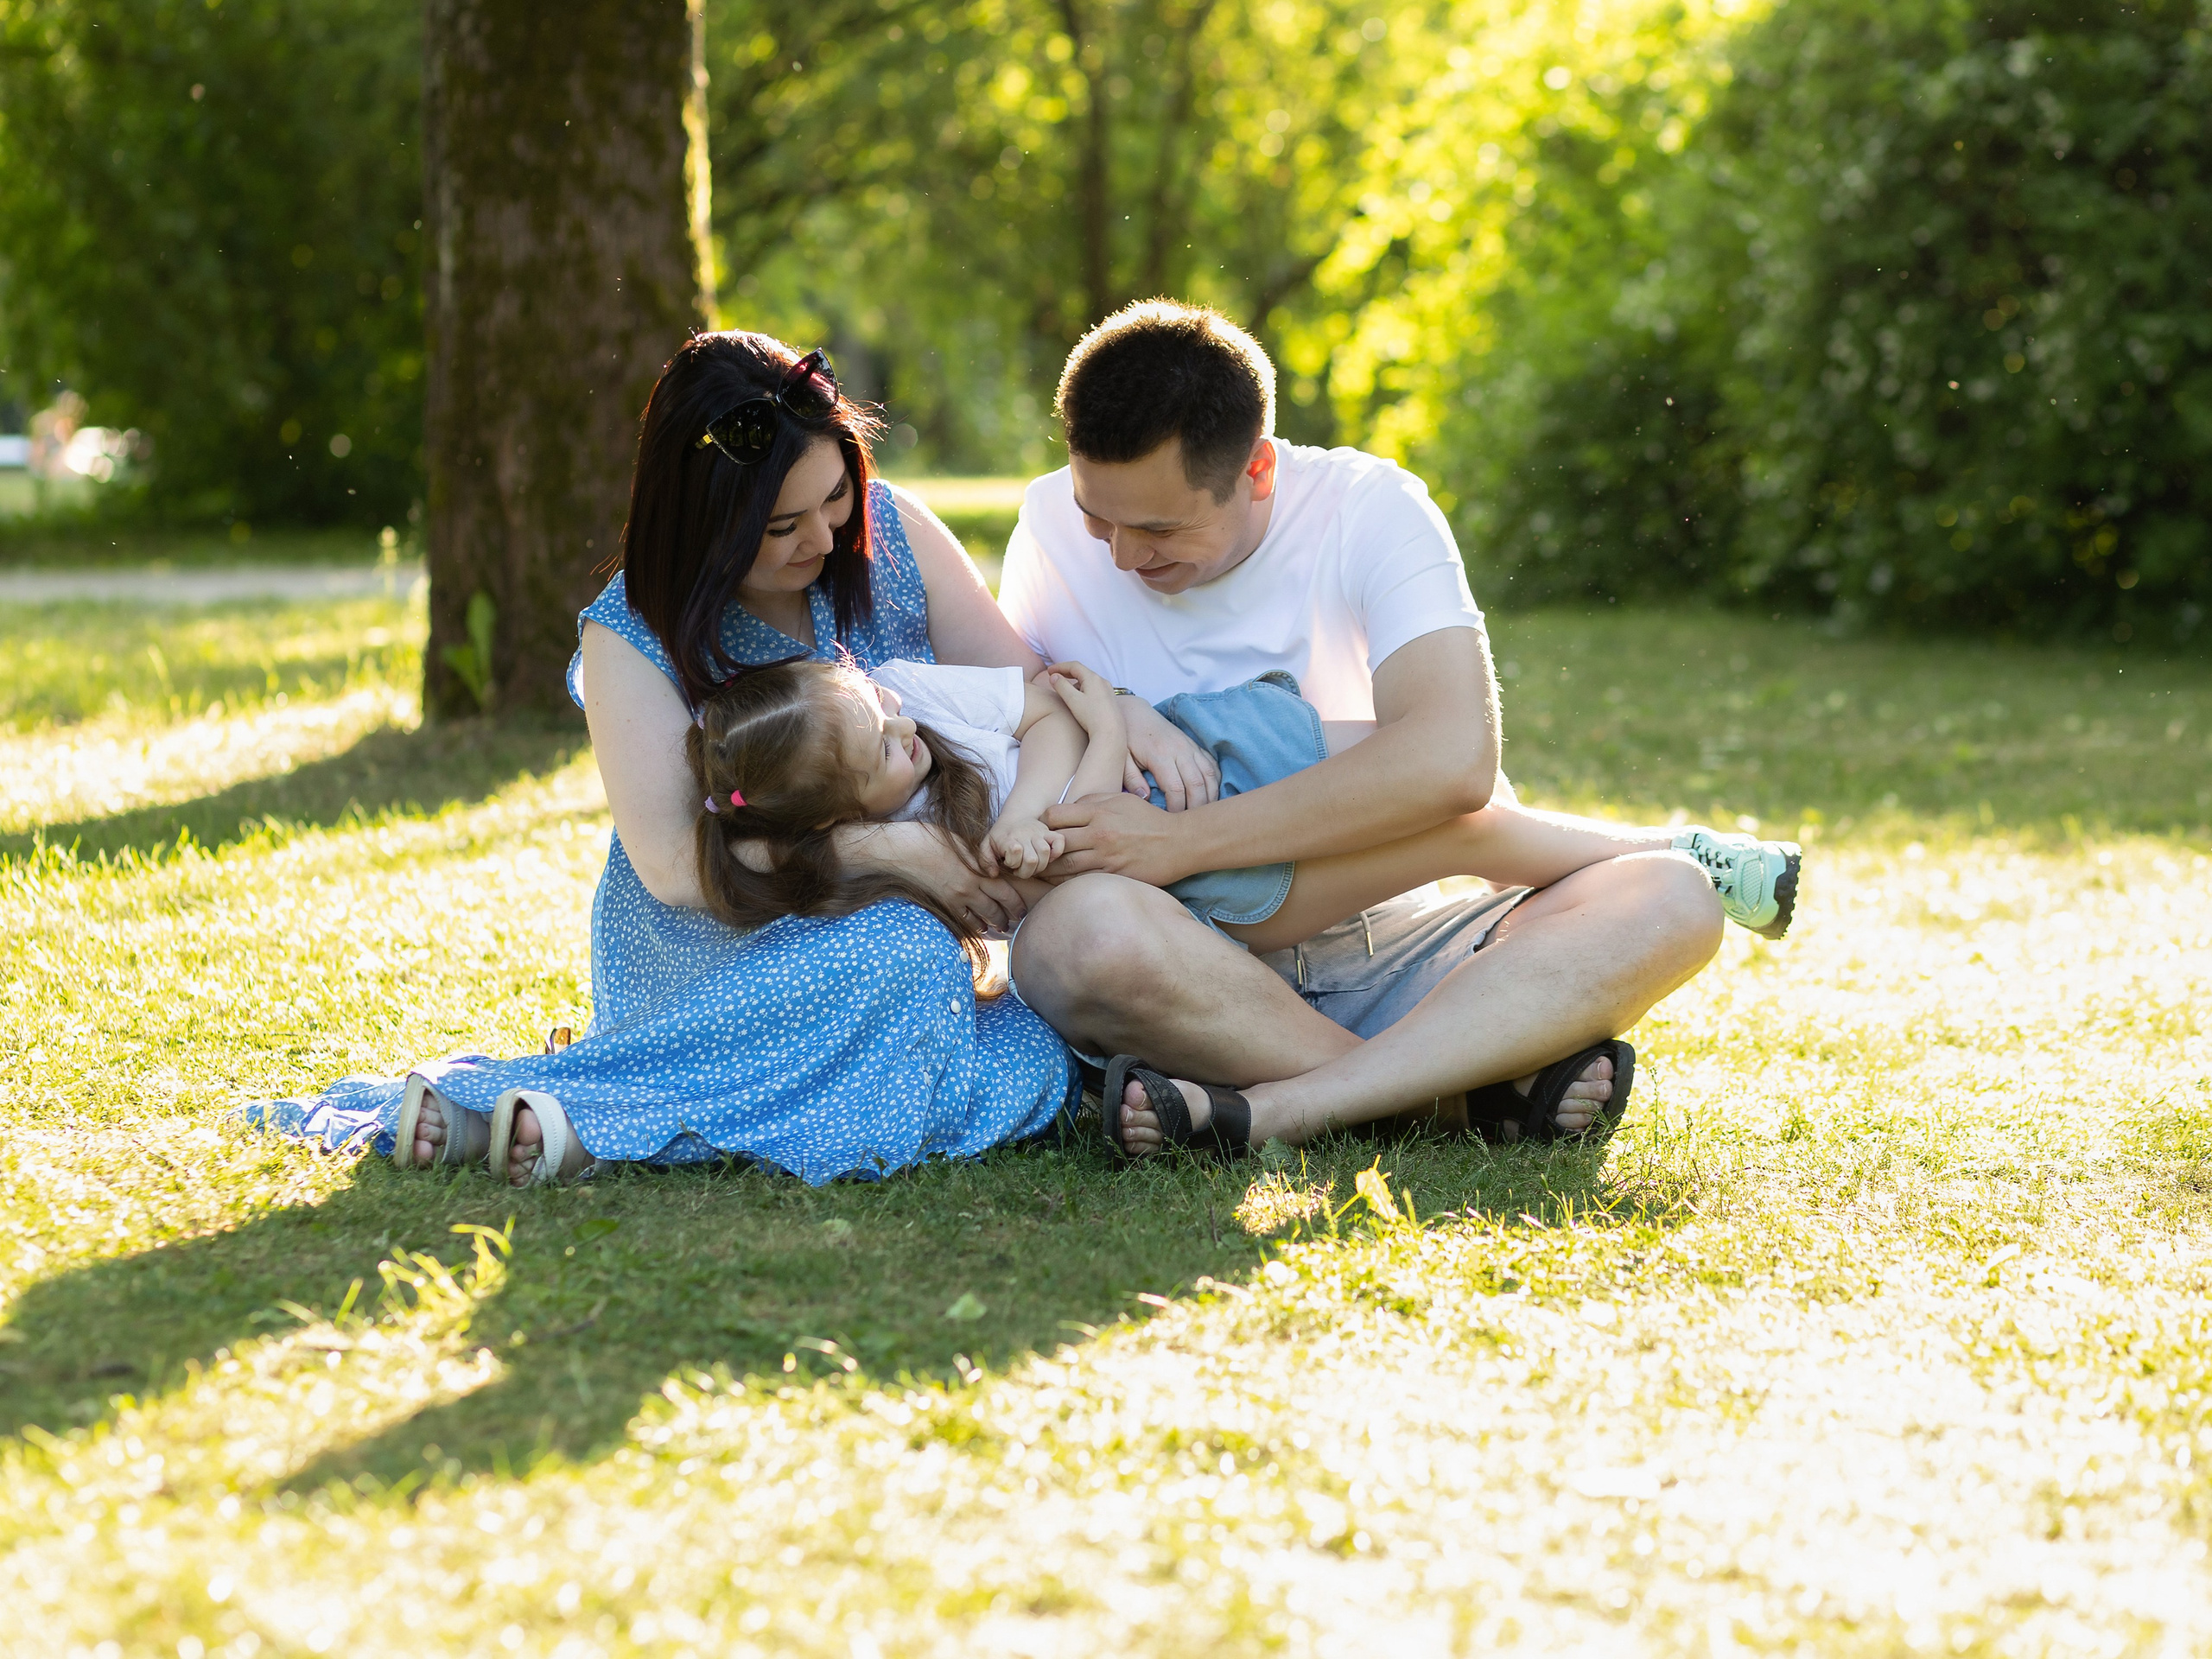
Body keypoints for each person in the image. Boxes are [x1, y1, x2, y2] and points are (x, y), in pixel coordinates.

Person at [256, 332, 1219, 1185]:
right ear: (704, 520)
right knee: (903, 960)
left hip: (891, 930)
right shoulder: (632, 633)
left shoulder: (893, 535)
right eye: (779, 526)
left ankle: (571, 1119)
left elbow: (1030, 685)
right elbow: (677, 869)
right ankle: (587, 1118)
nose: (825, 536)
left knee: (924, 970)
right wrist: (893, 855)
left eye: (835, 496)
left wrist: (1129, 718)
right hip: (722, 929)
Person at [1000, 300, 1801, 1156]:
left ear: (1258, 470)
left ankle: (1284, 1106)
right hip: (1181, 963)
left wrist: (1183, 842)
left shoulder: (1368, 508)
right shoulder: (1050, 525)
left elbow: (1453, 762)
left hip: (1401, 949)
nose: (1120, 555)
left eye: (1159, 529)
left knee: (1672, 897)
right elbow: (1019, 717)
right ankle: (1454, 1097)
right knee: (1073, 939)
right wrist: (1115, 708)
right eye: (1100, 519)